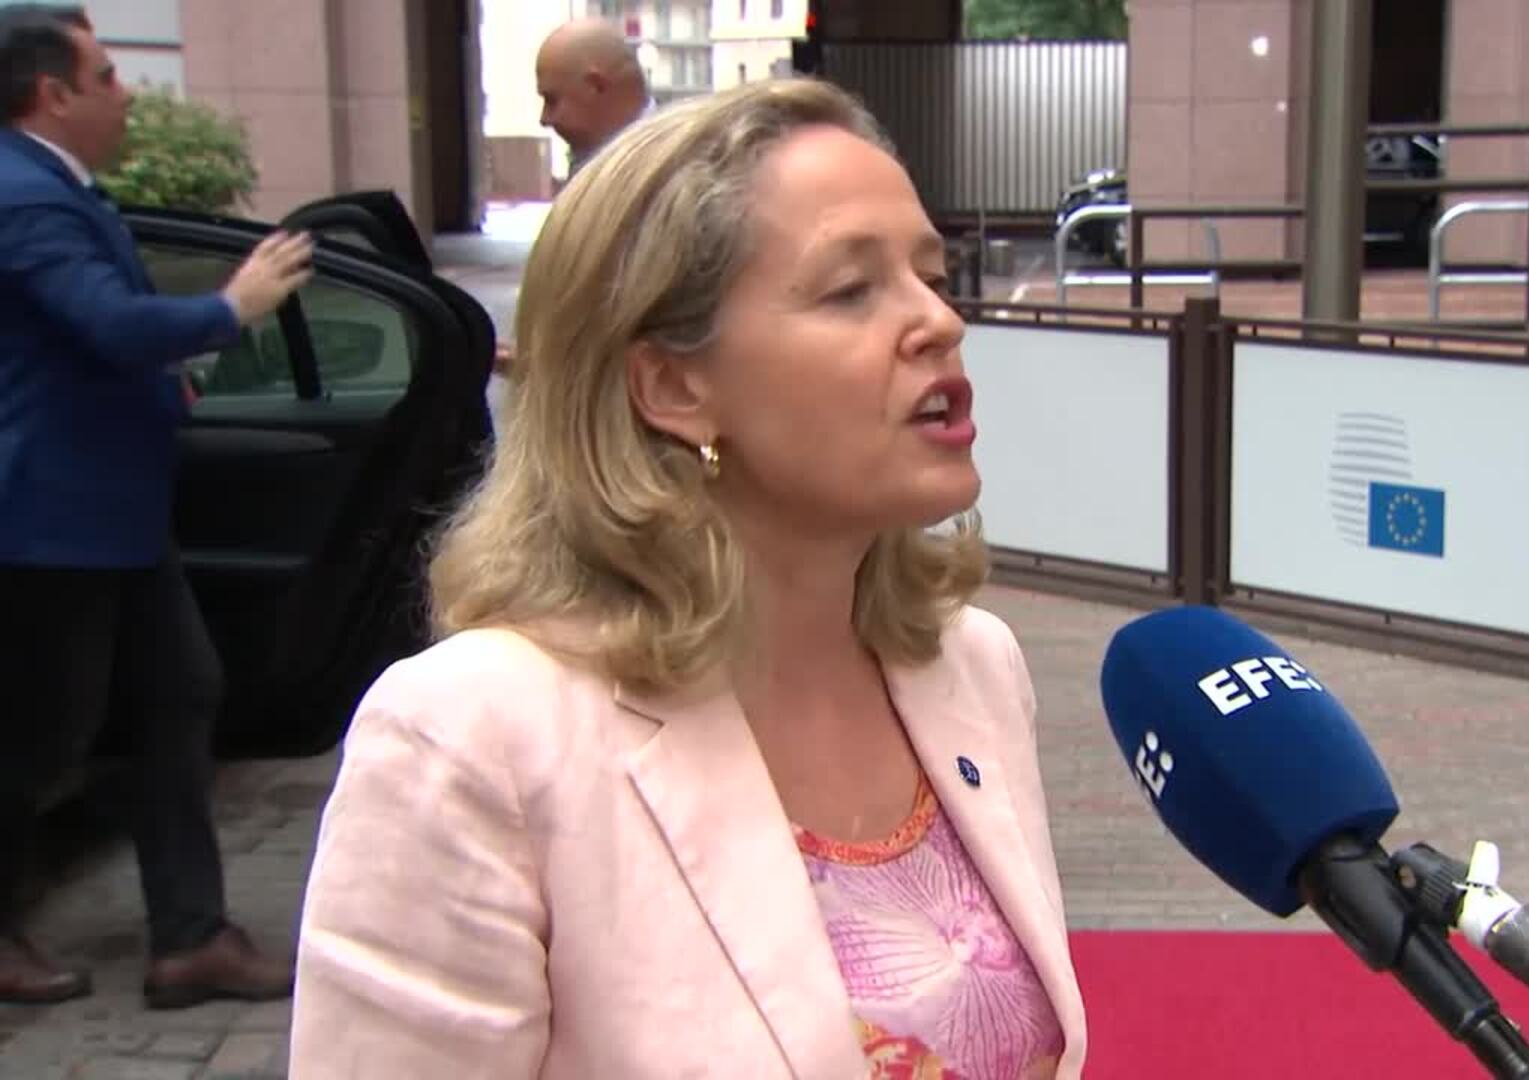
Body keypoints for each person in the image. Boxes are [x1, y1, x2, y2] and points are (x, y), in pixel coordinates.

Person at [289, 79, 1089, 1076]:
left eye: (932, 274)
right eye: (851, 290)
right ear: (672, 385)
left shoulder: (971, 663)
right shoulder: (469, 737)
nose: (937, 320)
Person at [0, 4, 313, 1008]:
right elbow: (106, 322)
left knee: (179, 697)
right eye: (105, 75)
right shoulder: (22, 195)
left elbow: (81, 342)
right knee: (40, 735)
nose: (126, 92)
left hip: (114, 517)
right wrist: (232, 307)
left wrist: (165, 381)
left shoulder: (56, 187)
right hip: (50, 522)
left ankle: (190, 939)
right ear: (51, 93)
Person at [535, 16, 652, 180]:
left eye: (552, 100)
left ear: (596, 86)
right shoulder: (590, 164)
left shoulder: (674, 175)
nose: (544, 119)